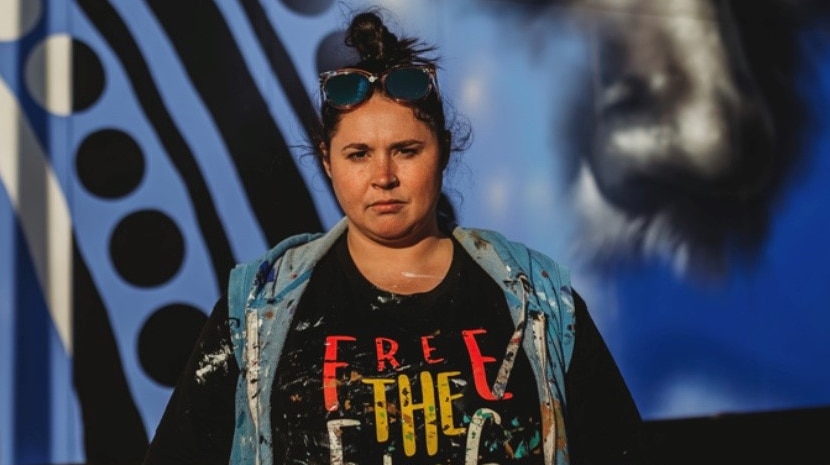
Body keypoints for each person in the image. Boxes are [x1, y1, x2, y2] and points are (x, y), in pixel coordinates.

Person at [143, 10, 643, 465]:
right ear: (327, 162)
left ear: (443, 152)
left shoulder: (537, 300)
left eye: (405, 150)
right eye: (358, 154)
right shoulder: (258, 310)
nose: (383, 176)